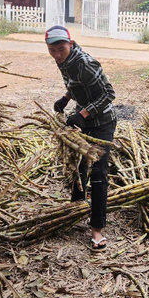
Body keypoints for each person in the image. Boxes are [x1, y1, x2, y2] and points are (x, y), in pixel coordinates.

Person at [46, 25, 116, 251]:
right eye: (52, 49)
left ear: (71, 45)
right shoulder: (64, 62)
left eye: (61, 49)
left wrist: (82, 114)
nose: (57, 54)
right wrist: (66, 98)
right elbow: (76, 83)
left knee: (97, 174)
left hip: (102, 123)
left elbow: (109, 94)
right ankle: (75, 210)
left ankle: (97, 229)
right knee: (78, 167)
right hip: (84, 120)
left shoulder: (85, 62)